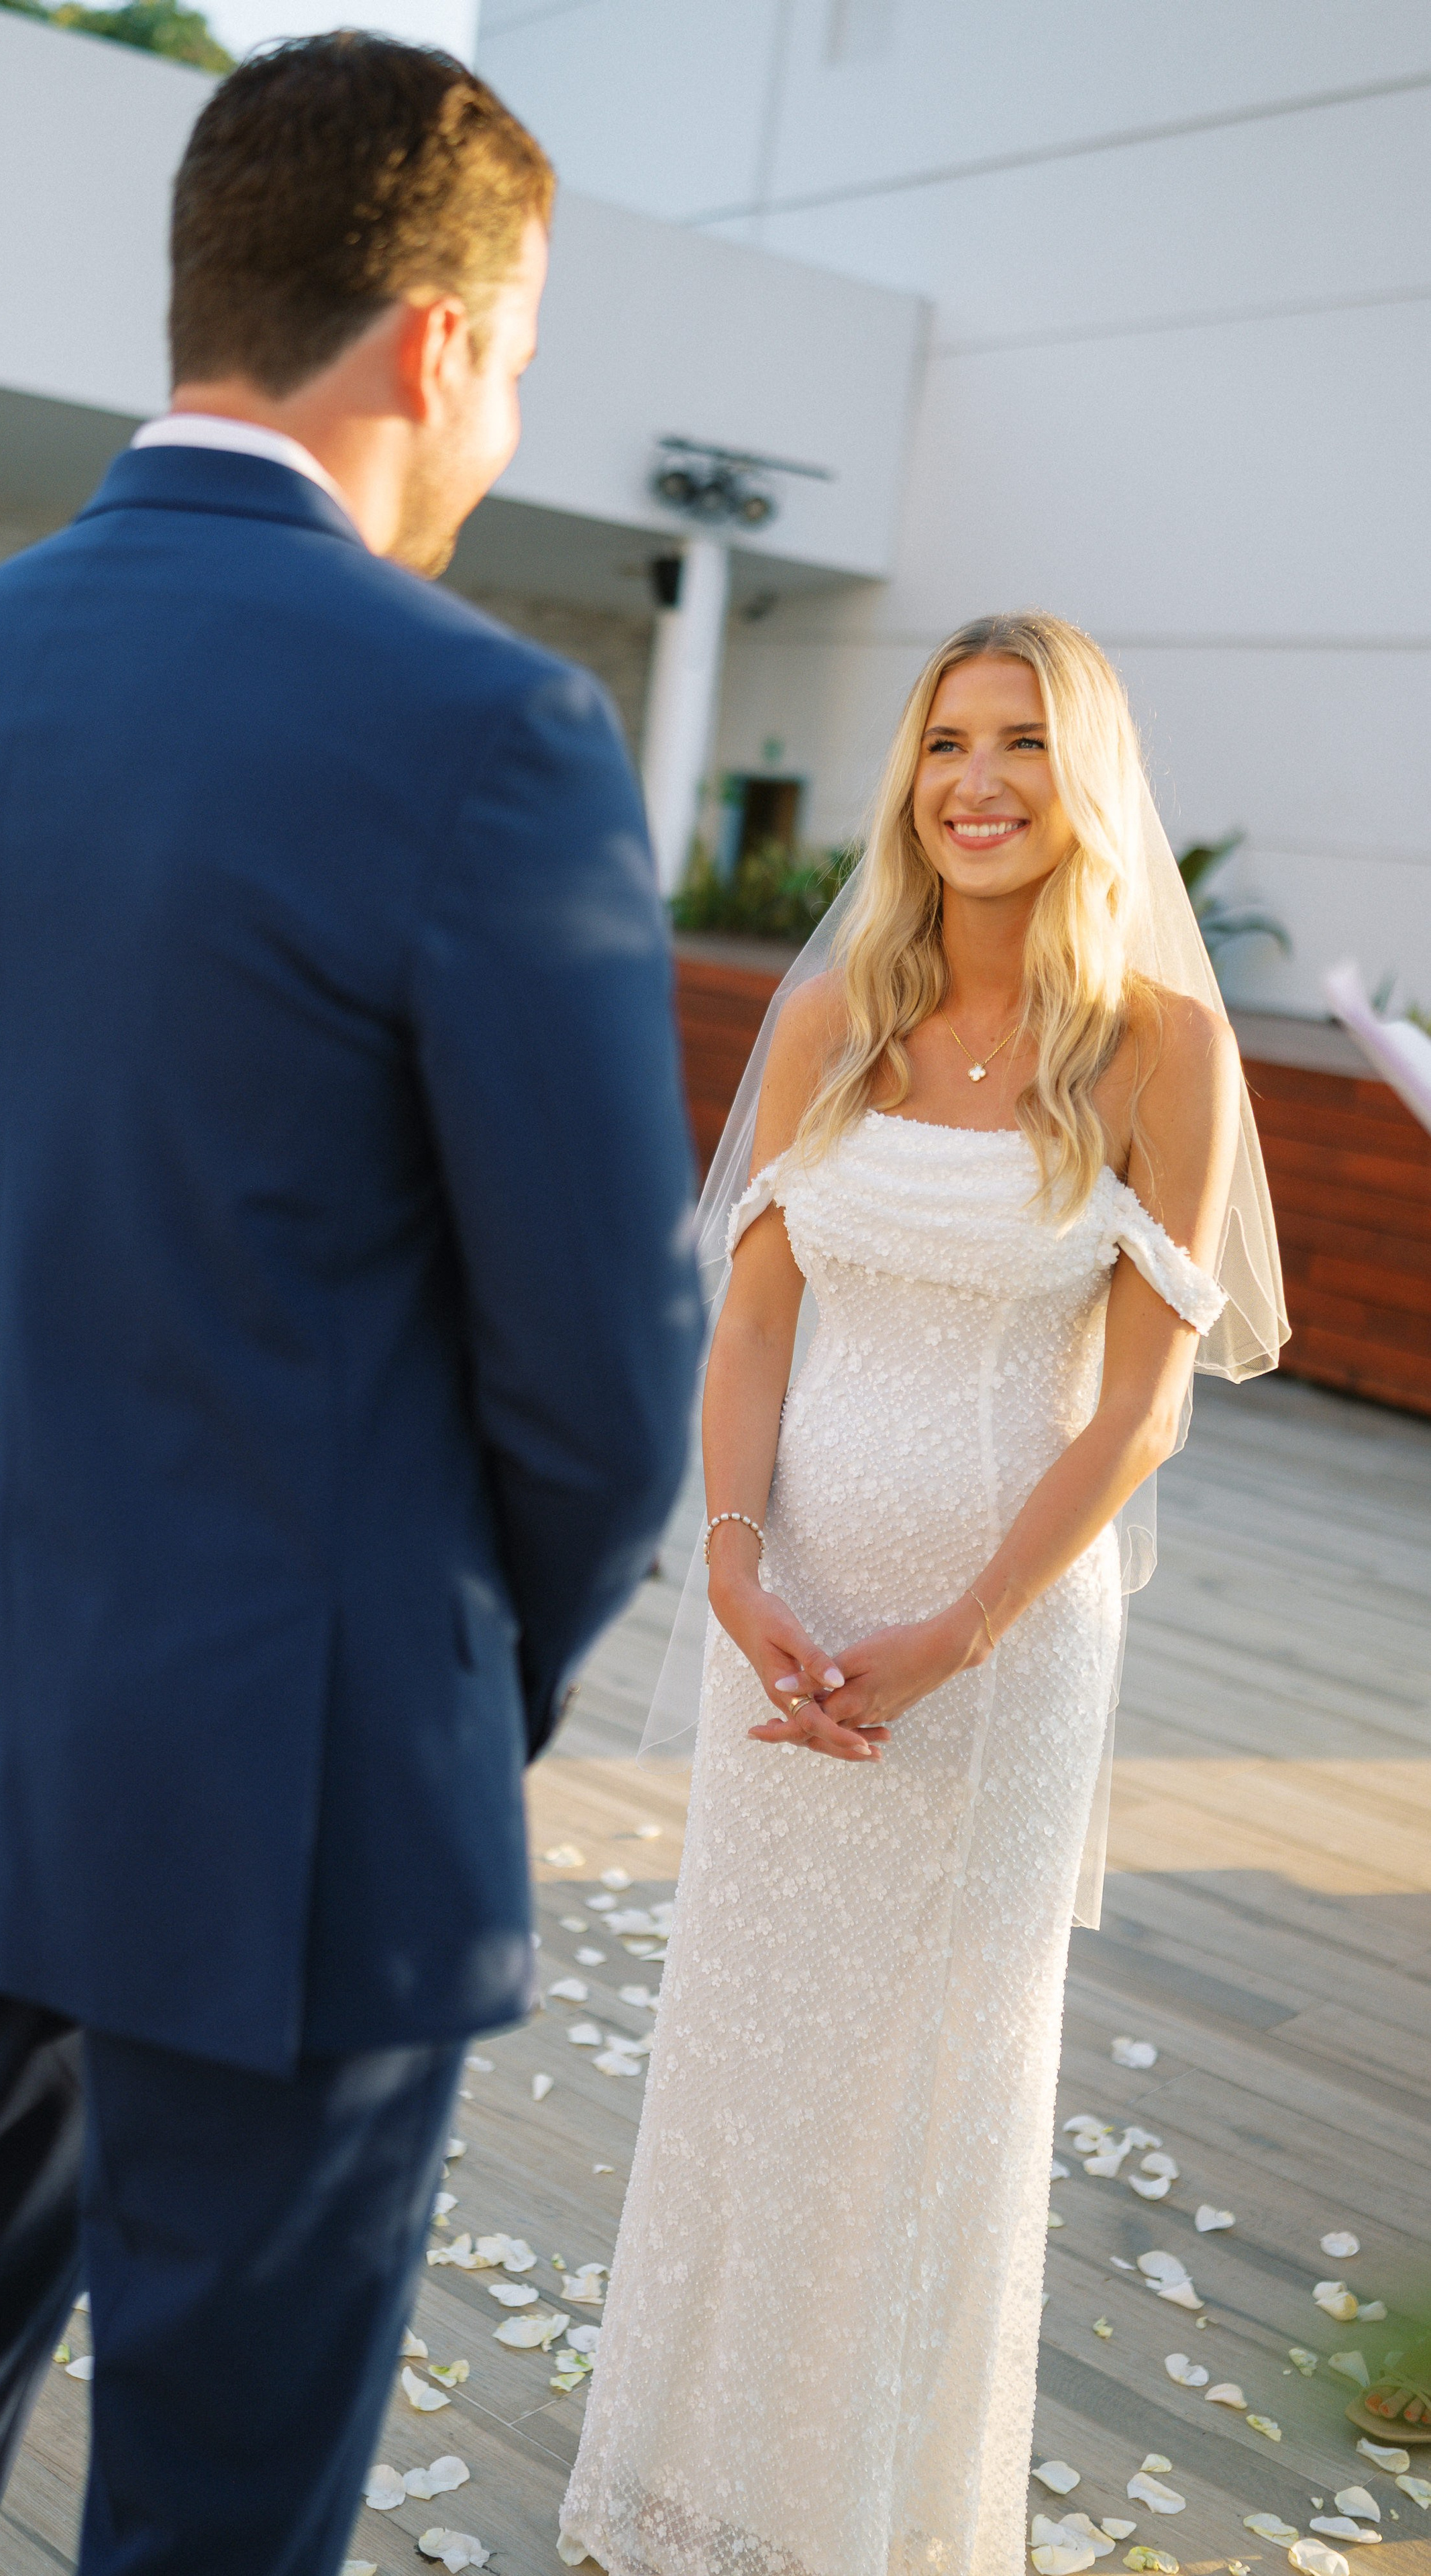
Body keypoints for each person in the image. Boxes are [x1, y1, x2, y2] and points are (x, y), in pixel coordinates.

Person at [0, 34, 699, 2576]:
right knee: (218, 2501)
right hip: (293, 1778)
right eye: (521, 351)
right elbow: (604, 1386)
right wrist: (458, 1691)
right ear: (436, 339)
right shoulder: (487, 729)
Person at [560, 613, 1287, 2576]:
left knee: (922, 2089)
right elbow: (747, 1338)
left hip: (994, 1655)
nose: (975, 777)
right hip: (777, 1624)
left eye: (1023, 740)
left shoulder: (1163, 1047)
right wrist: (729, 1567)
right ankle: (692, 2496)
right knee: (745, 2052)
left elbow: (1136, 1410)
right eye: (945, 737)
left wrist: (952, 1633)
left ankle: (866, 2521)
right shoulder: (832, 1019)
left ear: (1087, 776)